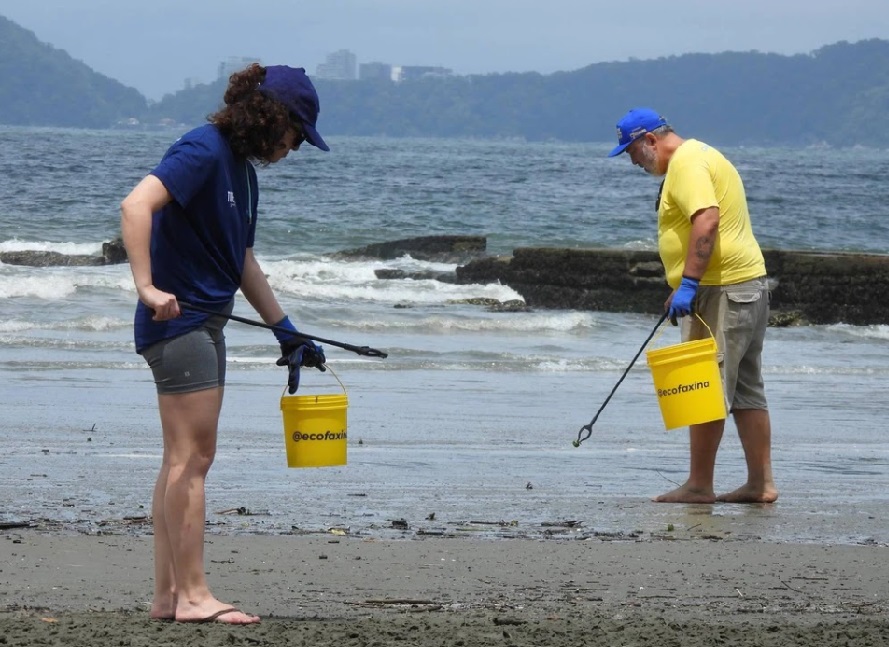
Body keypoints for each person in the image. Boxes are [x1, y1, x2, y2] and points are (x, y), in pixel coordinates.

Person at [120, 64, 329, 624]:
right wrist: (147, 287)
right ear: (272, 118)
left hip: (205, 322)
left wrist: (286, 329)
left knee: (179, 461)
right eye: (296, 134)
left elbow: (239, 259)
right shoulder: (204, 150)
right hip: (178, 322)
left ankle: (167, 597)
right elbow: (135, 205)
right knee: (194, 459)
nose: (295, 148)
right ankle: (193, 596)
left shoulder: (241, 171)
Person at [607, 107, 778, 505]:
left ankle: (700, 485)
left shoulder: (687, 163)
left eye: (631, 151)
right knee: (747, 390)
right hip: (741, 287)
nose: (632, 161)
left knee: (705, 387)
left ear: (650, 139)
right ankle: (760, 484)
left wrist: (689, 283)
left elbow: (707, 220)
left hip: (722, 291)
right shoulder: (699, 156)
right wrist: (683, 284)